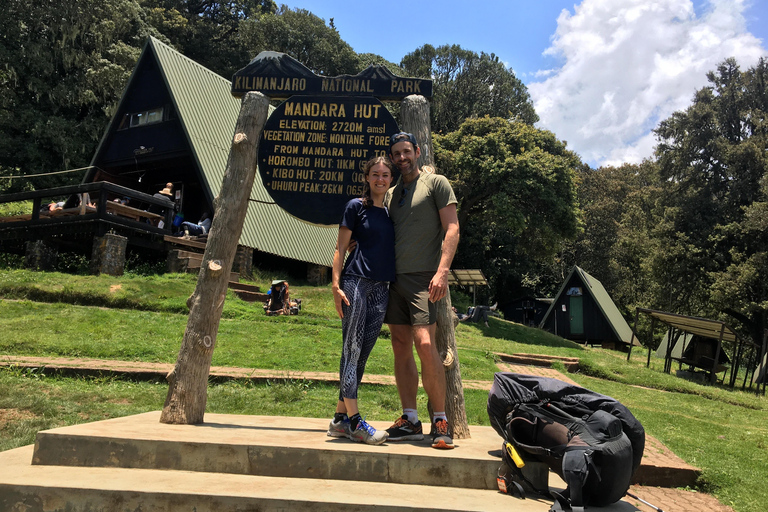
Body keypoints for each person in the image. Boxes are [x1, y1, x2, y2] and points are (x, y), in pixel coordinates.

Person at [383, 132, 460, 450]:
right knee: (400, 345)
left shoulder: (437, 183)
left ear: (417, 151)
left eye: (406, 152)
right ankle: (410, 418)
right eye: (396, 154)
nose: (401, 158)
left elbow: (452, 227)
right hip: (392, 279)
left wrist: (442, 272)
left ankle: (441, 419)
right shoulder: (390, 192)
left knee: (425, 344)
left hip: (423, 279)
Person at [327, 156, 396, 446]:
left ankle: (340, 420)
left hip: (382, 288)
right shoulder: (356, 207)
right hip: (356, 282)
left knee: (362, 354)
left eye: (385, 175)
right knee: (351, 350)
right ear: (367, 178)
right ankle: (356, 423)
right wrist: (335, 285)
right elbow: (340, 248)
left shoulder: (393, 214)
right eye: (375, 174)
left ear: (391, 179)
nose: (380, 179)